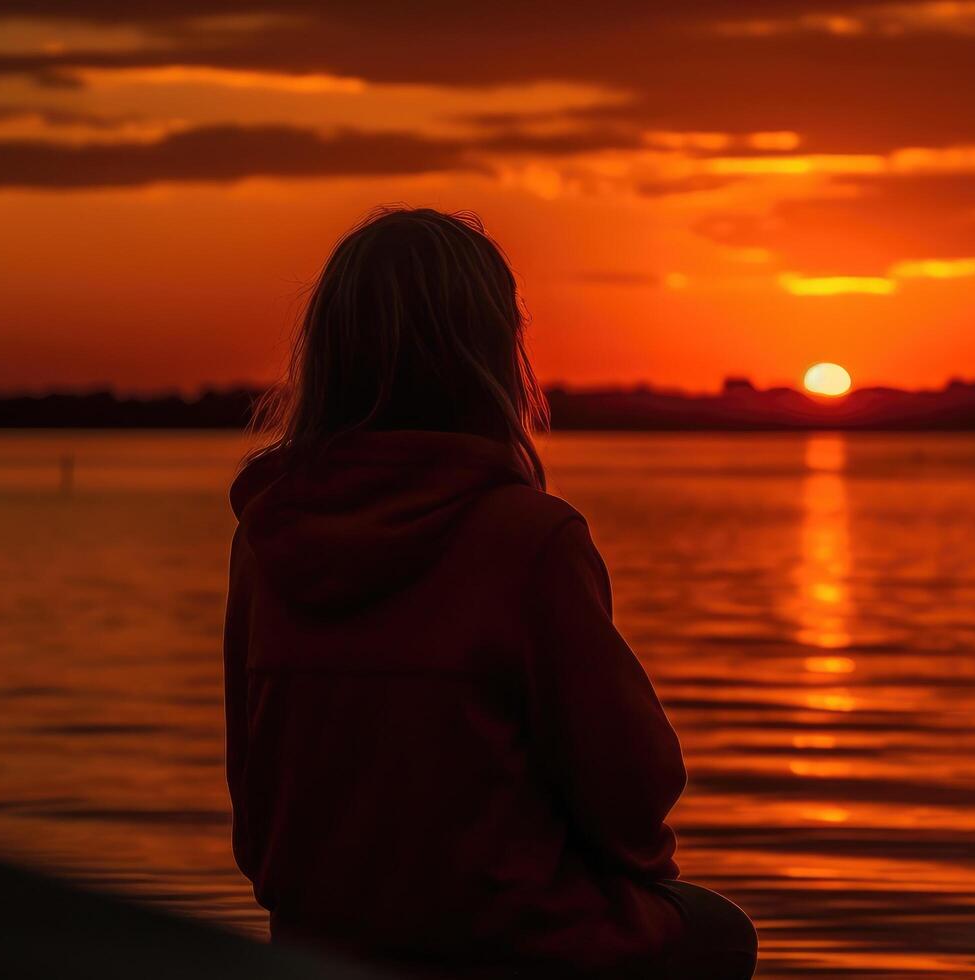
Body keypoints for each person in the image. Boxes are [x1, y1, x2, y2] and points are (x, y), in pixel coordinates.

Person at [223, 207, 757, 979]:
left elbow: (255, 809)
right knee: (718, 934)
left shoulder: (265, 540)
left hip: (317, 938)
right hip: (514, 938)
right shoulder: (528, 540)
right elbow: (632, 799)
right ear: (493, 355)